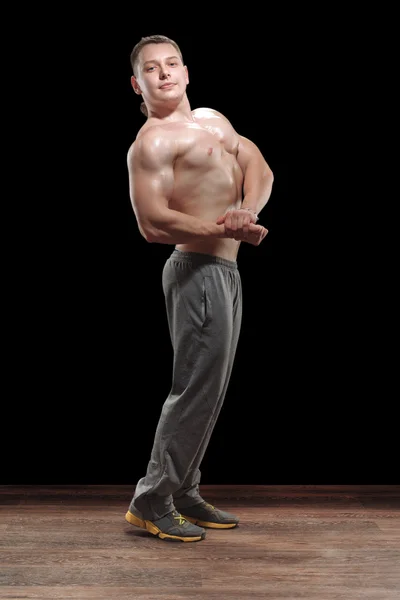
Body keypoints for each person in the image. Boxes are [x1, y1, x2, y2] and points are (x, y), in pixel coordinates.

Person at [125, 34, 274, 543]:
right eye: (151, 68)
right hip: (196, 270)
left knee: (210, 391)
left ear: (186, 72)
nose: (164, 73)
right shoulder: (152, 142)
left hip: (226, 272)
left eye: (171, 64)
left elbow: (258, 164)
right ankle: (150, 499)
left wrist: (247, 211)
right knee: (193, 390)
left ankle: (183, 489)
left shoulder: (214, 120)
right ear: (137, 84)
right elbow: (151, 221)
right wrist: (223, 229)